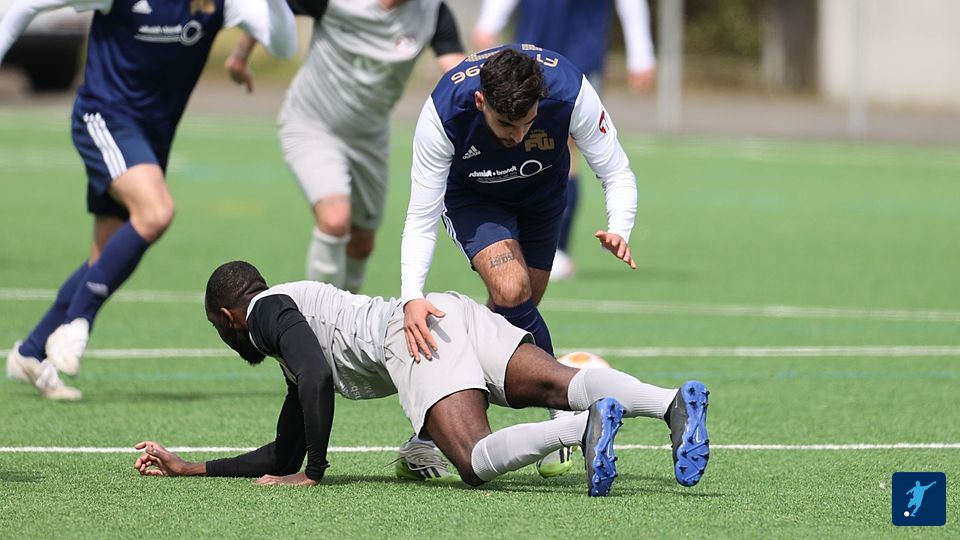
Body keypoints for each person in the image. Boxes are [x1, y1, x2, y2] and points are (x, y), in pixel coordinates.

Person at [133, 260, 711, 495]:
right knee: (560, 381)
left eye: (218, 327)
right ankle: (671, 405)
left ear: (229, 316)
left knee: (473, 462)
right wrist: (191, 467)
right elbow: (284, 448)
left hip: (411, 336)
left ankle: (578, 431)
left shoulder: (263, 316)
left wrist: (315, 473)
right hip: (445, 311)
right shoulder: (291, 321)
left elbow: (316, 378)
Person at [1, 0, 299, 400]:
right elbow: (26, 5)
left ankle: (32, 351)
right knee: (156, 212)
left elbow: (283, 45)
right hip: (104, 119)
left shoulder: (222, 3)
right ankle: (77, 323)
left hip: (152, 137)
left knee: (104, 258)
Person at [400, 45, 638, 476]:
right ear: (481, 101)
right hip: (473, 198)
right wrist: (411, 295)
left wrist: (619, 227)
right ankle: (566, 417)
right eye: (506, 124)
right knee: (511, 289)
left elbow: (616, 170)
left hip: (543, 197)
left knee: (508, 322)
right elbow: (420, 215)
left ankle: (424, 438)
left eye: (528, 122)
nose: (517, 136)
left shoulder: (570, 92)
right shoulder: (444, 113)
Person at [224, 0, 466, 292]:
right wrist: (239, 57)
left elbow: (457, 72)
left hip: (371, 137)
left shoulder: (433, 12)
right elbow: (275, 10)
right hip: (311, 123)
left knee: (362, 242)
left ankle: (346, 313)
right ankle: (315, 315)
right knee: (335, 219)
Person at [472, 0, 656, 280]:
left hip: (581, 54)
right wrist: (490, 21)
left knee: (562, 146)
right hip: (528, 53)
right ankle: (511, 239)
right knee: (517, 138)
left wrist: (641, 52)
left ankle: (556, 249)